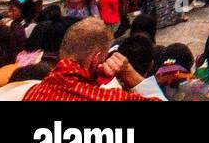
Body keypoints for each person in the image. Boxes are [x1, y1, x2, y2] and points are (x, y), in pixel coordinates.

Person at [23, 19, 157, 102]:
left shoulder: (32, 92)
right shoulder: (105, 97)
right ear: (96, 59)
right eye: (104, 58)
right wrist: (128, 73)